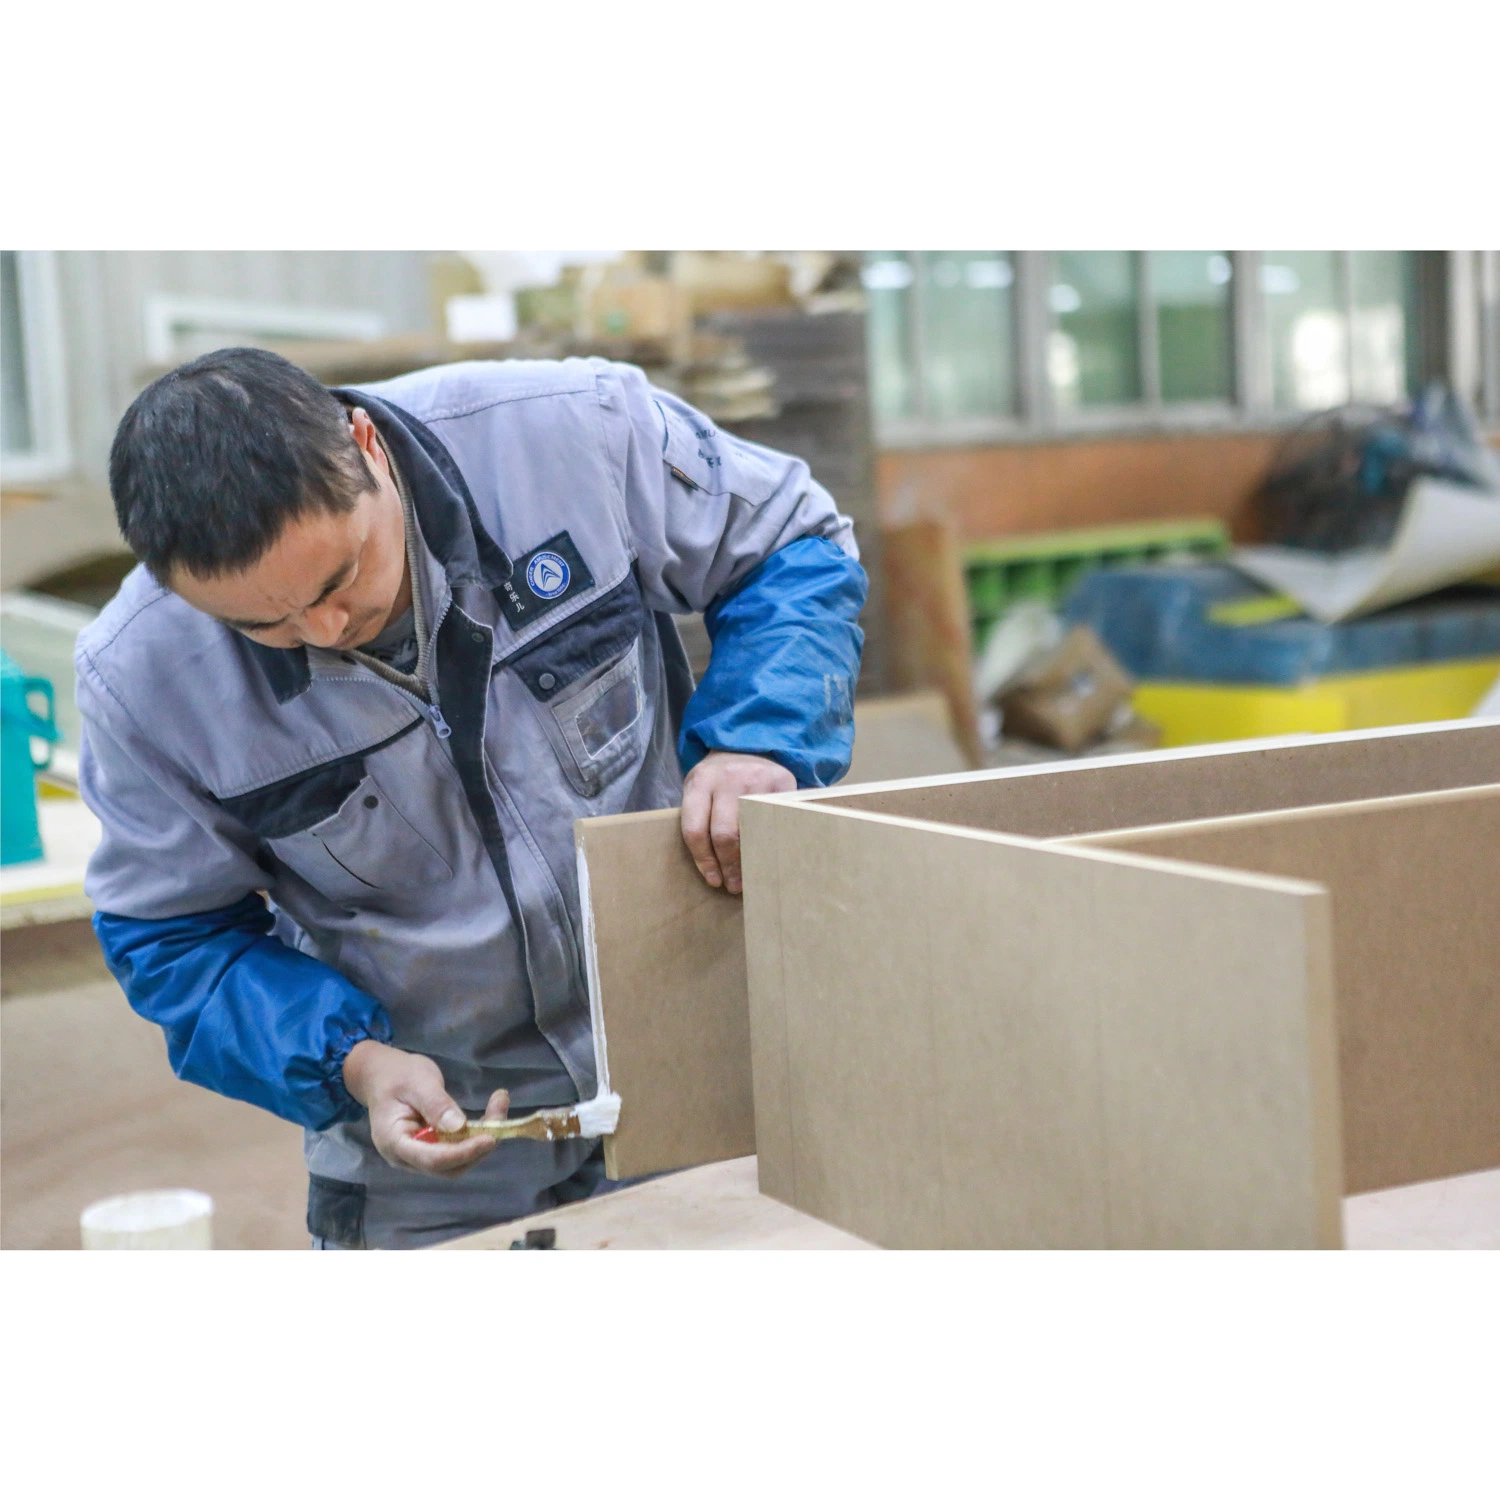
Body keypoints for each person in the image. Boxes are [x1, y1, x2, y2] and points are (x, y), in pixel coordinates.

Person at [78, 347, 865, 1249]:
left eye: (339, 578)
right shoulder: (139, 679)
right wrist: (356, 1064)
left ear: (365, 446)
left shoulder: (572, 432)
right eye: (264, 625)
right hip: (432, 1134)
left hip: (694, 1064)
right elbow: (173, 938)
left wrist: (757, 739)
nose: (324, 631)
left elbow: (792, 547)